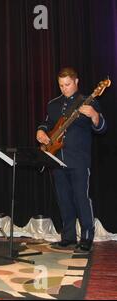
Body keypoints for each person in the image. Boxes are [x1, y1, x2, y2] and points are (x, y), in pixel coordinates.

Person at [36, 67, 107, 252]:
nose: (64, 88)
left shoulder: (87, 101)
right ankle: (67, 236)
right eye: (61, 85)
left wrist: (93, 115)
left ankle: (86, 237)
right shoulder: (53, 104)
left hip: (79, 160)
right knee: (64, 199)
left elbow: (102, 128)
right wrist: (40, 131)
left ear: (76, 82)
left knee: (81, 198)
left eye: (67, 84)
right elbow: (47, 123)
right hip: (56, 159)